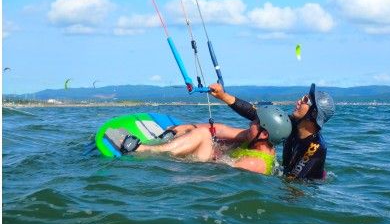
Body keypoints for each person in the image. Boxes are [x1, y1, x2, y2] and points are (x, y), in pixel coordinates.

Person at [110, 105, 292, 176]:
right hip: (210, 162)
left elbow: (223, 175)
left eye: (255, 122)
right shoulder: (253, 137)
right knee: (204, 133)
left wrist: (206, 151)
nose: (250, 122)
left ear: (264, 134)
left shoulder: (255, 163)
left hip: (203, 173)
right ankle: (174, 142)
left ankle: (143, 150)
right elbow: (220, 129)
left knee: (204, 136)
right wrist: (189, 127)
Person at [209, 83, 335, 180]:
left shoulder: (315, 148)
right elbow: (258, 114)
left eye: (306, 100)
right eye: (303, 97)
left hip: (307, 186)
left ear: (314, 113)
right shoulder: (294, 123)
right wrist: (223, 96)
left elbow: (294, 182)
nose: (300, 100)